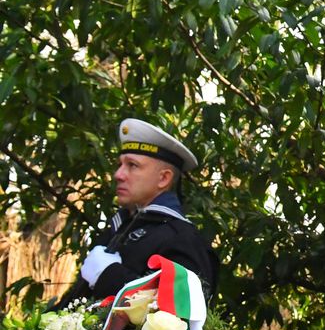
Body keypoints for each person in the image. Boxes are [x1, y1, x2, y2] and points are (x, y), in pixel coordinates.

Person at [58, 118, 218, 307]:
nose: (118, 174)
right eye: (120, 164)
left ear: (164, 178)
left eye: (132, 165)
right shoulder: (119, 227)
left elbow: (181, 312)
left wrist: (109, 276)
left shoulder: (182, 238)